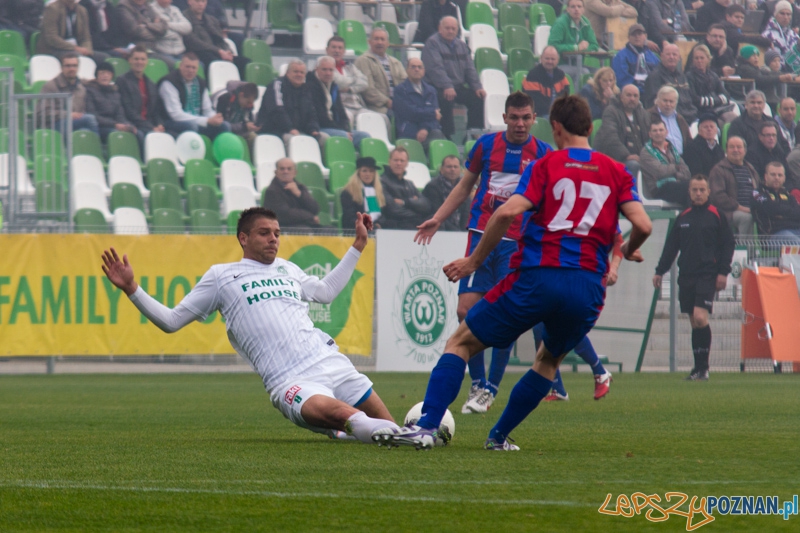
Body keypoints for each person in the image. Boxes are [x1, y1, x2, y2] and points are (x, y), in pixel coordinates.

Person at [376, 94, 652, 450]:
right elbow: (642, 224)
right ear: (589, 127)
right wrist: (627, 251)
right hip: (588, 288)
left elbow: (506, 213)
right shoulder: (617, 172)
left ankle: (426, 428)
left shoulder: (546, 165)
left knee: (460, 341)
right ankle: (498, 437)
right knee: (548, 361)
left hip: (539, 275)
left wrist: (473, 262)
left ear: (554, 127)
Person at [101, 208, 400, 443]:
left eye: (277, 233)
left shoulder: (287, 268)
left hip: (330, 361)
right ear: (243, 238)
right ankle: (352, 429)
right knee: (346, 416)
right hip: (289, 380)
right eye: (265, 233)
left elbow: (325, 292)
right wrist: (131, 289)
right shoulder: (222, 276)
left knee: (391, 429)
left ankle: (392, 432)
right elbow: (171, 321)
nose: (274, 239)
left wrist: (358, 245)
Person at [413, 92, 551, 415]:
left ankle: (491, 388)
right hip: (479, 237)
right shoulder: (486, 146)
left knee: (505, 314)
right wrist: (439, 217)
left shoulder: (543, 154)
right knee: (465, 311)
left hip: (516, 243)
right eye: (514, 117)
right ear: (504, 118)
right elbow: (465, 186)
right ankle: (477, 381)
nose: (519, 123)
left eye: (525, 117)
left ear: (533, 119)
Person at [654, 175, 736, 382]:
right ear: (689, 192)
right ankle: (698, 369)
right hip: (687, 276)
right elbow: (671, 247)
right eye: (694, 190)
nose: (698, 194)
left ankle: (704, 368)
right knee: (694, 321)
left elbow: (728, 245)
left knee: (700, 317)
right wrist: (659, 270)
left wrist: (723, 272)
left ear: (708, 192)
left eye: (702, 190)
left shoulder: (717, 215)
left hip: (708, 275)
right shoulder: (683, 217)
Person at [420, 17, 485, 139]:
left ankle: (471, 133)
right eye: (447, 28)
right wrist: (447, 86)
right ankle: (447, 135)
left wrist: (477, 87)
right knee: (446, 98)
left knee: (477, 97)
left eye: (453, 29)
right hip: (436, 86)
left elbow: (469, 68)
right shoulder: (432, 44)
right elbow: (435, 69)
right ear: (440, 29)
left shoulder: (461, 45)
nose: (450, 31)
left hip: (457, 86)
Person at [256, 59, 327, 151]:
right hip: (276, 130)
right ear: (287, 73)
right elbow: (277, 111)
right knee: (293, 140)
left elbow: (312, 113)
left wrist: (313, 130)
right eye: (295, 72)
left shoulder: (306, 89)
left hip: (299, 130)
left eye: (302, 72)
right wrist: (290, 128)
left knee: (324, 138)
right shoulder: (276, 85)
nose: (299, 75)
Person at [158, 52, 231, 139]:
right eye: (187, 67)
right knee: (192, 126)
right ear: (180, 66)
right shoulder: (169, 82)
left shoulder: (201, 83)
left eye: (194, 68)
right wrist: (206, 120)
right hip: (171, 122)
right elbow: (176, 114)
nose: (190, 70)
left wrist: (215, 118)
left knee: (224, 126)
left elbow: (207, 110)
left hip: (196, 121)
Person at [306, 56, 371, 150]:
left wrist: (346, 129)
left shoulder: (333, 85)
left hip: (335, 128)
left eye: (331, 70)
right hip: (320, 127)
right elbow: (320, 116)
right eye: (324, 70)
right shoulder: (310, 86)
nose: (328, 73)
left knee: (364, 137)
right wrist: (342, 131)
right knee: (343, 136)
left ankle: (363, 164)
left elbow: (341, 111)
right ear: (317, 69)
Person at [594, 84, 650, 177]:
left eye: (635, 96)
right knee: (634, 165)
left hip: (640, 157)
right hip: (615, 158)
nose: (632, 98)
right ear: (621, 97)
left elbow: (649, 138)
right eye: (628, 95)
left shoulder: (643, 114)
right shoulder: (611, 111)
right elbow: (610, 138)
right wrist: (626, 155)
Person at [183, 0, 248, 78]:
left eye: (203, 1)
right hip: (200, 51)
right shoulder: (184, 18)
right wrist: (219, 51)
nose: (200, 4)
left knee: (245, 62)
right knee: (213, 60)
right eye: (197, 1)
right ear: (189, 1)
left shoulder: (212, 20)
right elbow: (193, 41)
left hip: (218, 52)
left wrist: (228, 52)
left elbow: (220, 39)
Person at [709, 135, 759, 235]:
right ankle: (745, 250)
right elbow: (718, 196)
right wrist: (740, 208)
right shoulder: (719, 169)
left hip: (751, 209)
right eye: (732, 147)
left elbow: (758, 191)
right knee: (747, 218)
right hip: (727, 212)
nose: (735, 150)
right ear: (726, 150)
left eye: (739, 147)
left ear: (745, 150)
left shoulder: (750, 169)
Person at [40, 52, 100, 137]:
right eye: (68, 66)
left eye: (74, 66)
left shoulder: (81, 85)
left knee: (85, 131)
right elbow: (42, 113)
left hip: (76, 123)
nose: (72, 69)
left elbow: (96, 84)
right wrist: (68, 114)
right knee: (90, 119)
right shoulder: (50, 87)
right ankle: (96, 148)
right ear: (61, 67)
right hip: (55, 125)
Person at [393, 58, 445, 151]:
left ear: (424, 71)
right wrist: (432, 113)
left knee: (438, 137)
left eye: (419, 67)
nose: (416, 69)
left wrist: (425, 128)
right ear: (407, 70)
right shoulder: (400, 90)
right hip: (408, 132)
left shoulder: (431, 90)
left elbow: (436, 119)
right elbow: (410, 113)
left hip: (428, 132)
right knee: (438, 141)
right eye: (413, 67)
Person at [354, 28, 407, 117]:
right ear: (369, 42)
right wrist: (387, 102)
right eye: (376, 39)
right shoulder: (363, 61)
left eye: (382, 39)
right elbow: (368, 90)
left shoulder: (396, 62)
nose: (379, 42)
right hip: (377, 107)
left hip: (398, 103)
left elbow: (406, 85)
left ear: (388, 43)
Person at [116, 45, 165, 137]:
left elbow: (155, 111)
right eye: (136, 59)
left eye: (143, 59)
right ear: (130, 60)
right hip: (133, 124)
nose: (140, 62)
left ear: (147, 61)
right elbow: (129, 111)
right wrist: (151, 127)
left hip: (149, 124)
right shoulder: (122, 81)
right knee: (143, 136)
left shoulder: (151, 84)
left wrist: (159, 125)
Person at [640, 118, 692, 205]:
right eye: (655, 131)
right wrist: (676, 167)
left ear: (666, 132)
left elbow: (687, 172)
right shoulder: (646, 152)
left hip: (676, 184)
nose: (658, 133)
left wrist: (675, 174)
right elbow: (660, 172)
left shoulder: (672, 149)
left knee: (697, 187)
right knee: (687, 188)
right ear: (650, 134)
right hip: (658, 189)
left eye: (661, 130)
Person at [642, 43, 698, 123]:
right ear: (661, 56)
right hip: (669, 120)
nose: (671, 57)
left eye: (674, 54)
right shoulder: (654, 77)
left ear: (679, 57)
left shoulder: (682, 77)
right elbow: (652, 104)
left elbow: (690, 100)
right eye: (668, 54)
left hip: (690, 117)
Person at [85, 61, 139, 142]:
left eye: (108, 73)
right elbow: (93, 115)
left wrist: (127, 125)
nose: (105, 76)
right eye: (102, 73)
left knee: (138, 134)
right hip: (100, 127)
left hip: (115, 125)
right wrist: (115, 124)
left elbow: (120, 114)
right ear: (97, 76)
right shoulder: (90, 91)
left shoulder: (115, 93)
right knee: (117, 135)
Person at [379, 147, 431, 229]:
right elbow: (392, 209)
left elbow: (426, 205)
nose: (398, 163)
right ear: (389, 161)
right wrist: (416, 210)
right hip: (395, 225)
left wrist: (405, 202)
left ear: (407, 163)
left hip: (413, 222)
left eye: (402, 161)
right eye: (395, 160)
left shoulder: (409, 184)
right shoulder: (381, 182)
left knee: (435, 220)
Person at [262, 158, 322, 228]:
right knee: (304, 230)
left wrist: (299, 194)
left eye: (289, 169)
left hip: (303, 223)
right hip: (282, 227)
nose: (285, 171)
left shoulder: (300, 187)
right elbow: (285, 213)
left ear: (295, 173)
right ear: (276, 172)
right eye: (282, 169)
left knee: (329, 230)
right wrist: (310, 217)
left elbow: (315, 209)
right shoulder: (272, 191)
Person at [38, 0, 105, 61]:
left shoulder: (82, 10)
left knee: (103, 57)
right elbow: (52, 37)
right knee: (78, 57)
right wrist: (75, 48)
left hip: (76, 48)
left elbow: (86, 37)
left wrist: (87, 50)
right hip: (54, 49)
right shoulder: (52, 9)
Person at [326, 36, 369, 128]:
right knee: (347, 117)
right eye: (334, 47)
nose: (337, 51)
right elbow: (339, 82)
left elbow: (364, 83)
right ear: (327, 50)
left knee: (380, 118)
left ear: (344, 51)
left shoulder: (350, 67)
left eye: (340, 48)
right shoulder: (325, 68)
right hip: (340, 107)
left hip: (358, 105)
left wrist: (350, 89)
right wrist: (355, 79)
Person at [752, 161, 800, 242]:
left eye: (780, 175)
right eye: (773, 174)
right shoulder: (757, 193)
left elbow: (797, 212)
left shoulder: (788, 194)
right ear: (765, 176)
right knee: (796, 243)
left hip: (795, 230)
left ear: (784, 178)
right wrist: (787, 210)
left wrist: (781, 212)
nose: (777, 177)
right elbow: (770, 208)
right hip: (772, 235)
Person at [421, 155, 469, 232]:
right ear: (441, 169)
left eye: (455, 167)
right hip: (440, 229)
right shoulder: (432, 187)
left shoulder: (464, 188)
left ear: (460, 169)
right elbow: (437, 214)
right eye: (449, 167)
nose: (452, 169)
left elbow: (466, 214)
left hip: (459, 231)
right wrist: (457, 232)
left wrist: (463, 233)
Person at [686, 45, 732, 121]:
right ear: (693, 60)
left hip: (716, 108)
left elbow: (726, 96)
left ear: (708, 59)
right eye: (696, 58)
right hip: (700, 111)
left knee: (734, 113)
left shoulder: (713, 75)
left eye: (702, 58)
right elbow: (695, 100)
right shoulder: (689, 76)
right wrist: (717, 100)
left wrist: (711, 101)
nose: (699, 61)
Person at [522, 46, 571, 119]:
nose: (550, 61)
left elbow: (565, 96)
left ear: (558, 60)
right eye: (547, 58)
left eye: (553, 59)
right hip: (540, 115)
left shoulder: (561, 75)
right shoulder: (532, 75)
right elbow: (534, 103)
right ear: (541, 58)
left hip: (558, 113)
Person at [611, 24, 660, 92]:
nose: (637, 36)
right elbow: (622, 80)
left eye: (639, 34)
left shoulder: (652, 56)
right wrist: (639, 90)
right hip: (631, 93)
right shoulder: (621, 56)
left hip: (652, 92)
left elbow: (659, 75)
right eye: (633, 34)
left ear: (645, 36)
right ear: (628, 37)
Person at [340, 157, 386, 229]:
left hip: (376, 228)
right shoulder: (348, 192)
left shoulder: (380, 191)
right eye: (364, 171)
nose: (368, 174)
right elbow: (350, 218)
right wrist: (370, 225)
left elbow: (385, 213)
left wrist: (379, 223)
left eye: (371, 171)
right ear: (358, 173)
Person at [215, 81, 260, 147]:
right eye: (248, 102)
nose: (249, 105)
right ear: (241, 95)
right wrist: (244, 127)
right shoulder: (224, 99)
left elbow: (249, 120)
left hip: (238, 131)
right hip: (221, 131)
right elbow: (222, 124)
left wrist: (253, 126)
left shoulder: (248, 105)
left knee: (254, 138)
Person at [648, 86, 690, 155]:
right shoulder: (649, 116)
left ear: (676, 103)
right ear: (657, 101)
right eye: (665, 101)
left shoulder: (680, 119)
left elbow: (688, 141)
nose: (668, 104)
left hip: (682, 158)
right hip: (659, 157)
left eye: (671, 101)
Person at [150, 0, 192, 67]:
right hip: (162, 52)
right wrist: (179, 33)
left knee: (199, 65)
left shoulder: (175, 9)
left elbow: (188, 27)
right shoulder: (151, 9)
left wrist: (166, 24)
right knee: (178, 65)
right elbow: (159, 32)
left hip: (180, 52)